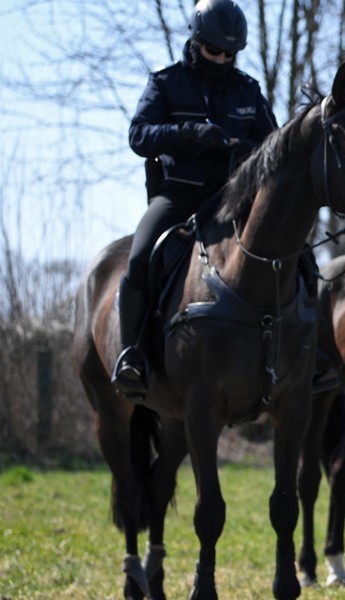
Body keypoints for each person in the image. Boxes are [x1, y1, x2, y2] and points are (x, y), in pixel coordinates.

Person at [112, 0, 276, 394]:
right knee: (140, 254)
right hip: (178, 195)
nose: (221, 59)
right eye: (214, 50)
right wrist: (187, 133)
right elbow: (139, 136)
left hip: (233, 199)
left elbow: (274, 146)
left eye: (230, 54)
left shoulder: (248, 90)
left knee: (295, 253)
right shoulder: (166, 83)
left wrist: (245, 150)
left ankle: (308, 351)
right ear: (196, 40)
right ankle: (131, 352)